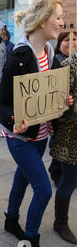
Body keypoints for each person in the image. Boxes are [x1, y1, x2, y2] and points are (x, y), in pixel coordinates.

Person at [0, 0, 74, 247]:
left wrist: (63, 101)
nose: (61, 23)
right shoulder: (19, 57)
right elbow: (1, 104)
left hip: (41, 136)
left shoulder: (51, 57)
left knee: (22, 179)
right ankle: (30, 243)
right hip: (19, 138)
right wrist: (13, 118)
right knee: (43, 190)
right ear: (42, 20)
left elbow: (51, 95)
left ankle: (11, 218)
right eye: (57, 17)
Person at [49, 52, 77, 244]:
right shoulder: (69, 64)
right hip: (71, 137)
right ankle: (61, 223)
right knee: (69, 181)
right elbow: (57, 102)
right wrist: (72, 104)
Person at [48, 31, 77, 187]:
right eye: (66, 40)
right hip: (59, 117)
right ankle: (56, 171)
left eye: (74, 40)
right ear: (59, 44)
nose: (71, 43)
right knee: (57, 144)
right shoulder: (56, 62)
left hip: (71, 122)